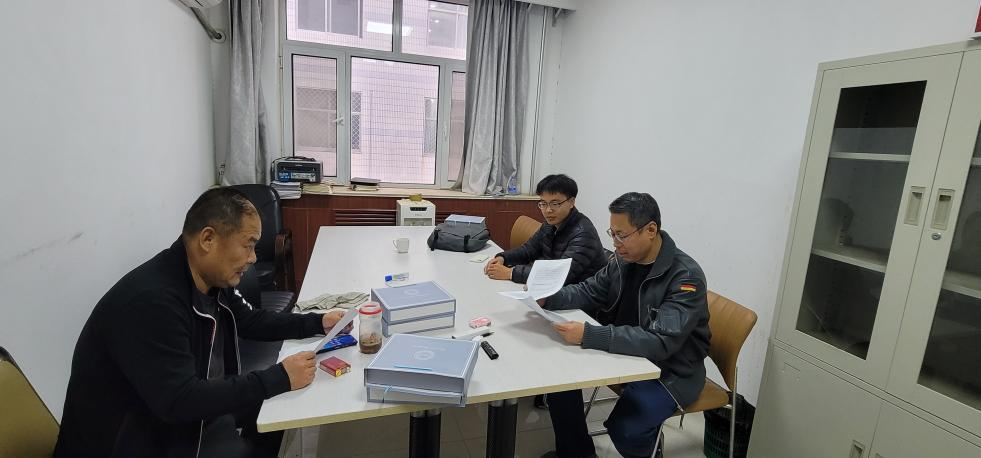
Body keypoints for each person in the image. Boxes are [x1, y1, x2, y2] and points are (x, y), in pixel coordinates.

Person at [55, 188, 352, 458]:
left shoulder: (209, 278)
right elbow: (180, 400)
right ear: (208, 239)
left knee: (279, 415)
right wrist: (278, 377)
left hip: (183, 422)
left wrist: (318, 322)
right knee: (276, 402)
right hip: (141, 441)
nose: (252, 258)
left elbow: (250, 320)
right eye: (248, 245)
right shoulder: (152, 303)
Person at [539, 192, 711, 458]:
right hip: (625, 353)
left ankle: (650, 451)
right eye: (612, 234)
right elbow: (589, 290)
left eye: (622, 235)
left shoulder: (685, 278)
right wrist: (548, 297)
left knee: (627, 430)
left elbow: (660, 342)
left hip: (671, 370)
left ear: (650, 230)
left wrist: (589, 335)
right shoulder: (623, 260)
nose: (615, 244)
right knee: (559, 381)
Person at [484, 174, 607, 286]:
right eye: (543, 203)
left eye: (555, 204)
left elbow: (559, 274)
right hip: (555, 289)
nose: (548, 210)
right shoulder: (550, 223)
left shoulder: (583, 233)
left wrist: (511, 273)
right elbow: (529, 249)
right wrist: (503, 258)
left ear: (571, 202)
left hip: (581, 296)